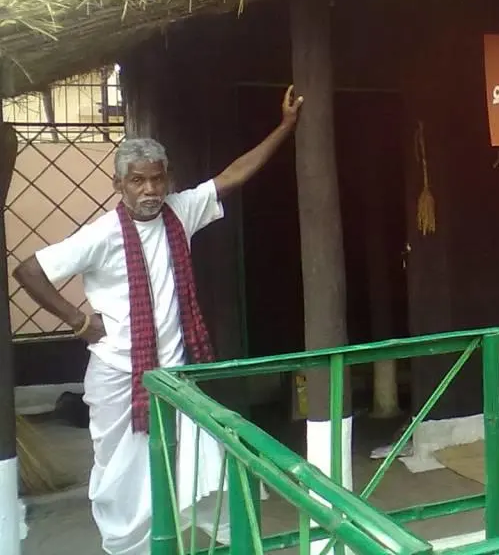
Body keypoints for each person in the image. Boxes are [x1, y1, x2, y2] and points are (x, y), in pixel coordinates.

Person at [13, 86, 304, 555]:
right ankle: (128, 548)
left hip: (176, 375)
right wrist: (78, 320)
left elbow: (232, 176)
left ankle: (225, 542)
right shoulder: (102, 235)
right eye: (137, 181)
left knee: (205, 465)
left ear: (167, 179)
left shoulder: (179, 212)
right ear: (119, 185)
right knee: (123, 480)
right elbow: (29, 270)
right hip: (119, 376)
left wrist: (285, 127)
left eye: (156, 179)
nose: (149, 190)